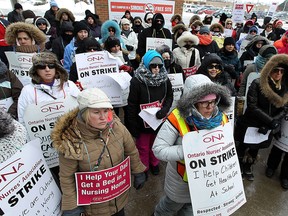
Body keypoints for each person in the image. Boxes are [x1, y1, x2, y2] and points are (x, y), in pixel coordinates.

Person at [51, 87, 146, 215]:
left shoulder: (117, 127)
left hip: (119, 199)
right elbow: (67, 177)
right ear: (84, 113)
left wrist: (138, 171)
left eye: (106, 111)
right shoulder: (71, 140)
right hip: (94, 208)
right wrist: (71, 205)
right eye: (96, 112)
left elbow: (131, 151)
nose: (103, 117)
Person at [152, 74, 231, 216]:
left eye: (213, 101)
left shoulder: (222, 117)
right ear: (192, 102)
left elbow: (227, 144)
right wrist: (190, 151)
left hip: (208, 180)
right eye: (204, 102)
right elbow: (158, 149)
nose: (211, 107)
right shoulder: (176, 117)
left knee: (191, 210)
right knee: (169, 207)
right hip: (181, 180)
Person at [234, 54, 288, 181]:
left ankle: (248, 167)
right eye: (276, 70)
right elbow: (252, 106)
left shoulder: (284, 88)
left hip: (267, 126)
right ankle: (238, 168)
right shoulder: (257, 83)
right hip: (251, 122)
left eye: (282, 71)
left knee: (256, 148)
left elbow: (284, 108)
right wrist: (271, 121)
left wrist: (272, 123)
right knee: (243, 146)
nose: (279, 73)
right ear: (269, 70)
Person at [127, 50, 173, 178]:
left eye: (159, 65)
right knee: (142, 147)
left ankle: (154, 163)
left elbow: (170, 96)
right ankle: (144, 166)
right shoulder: (137, 81)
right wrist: (133, 126)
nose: (157, 68)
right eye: (153, 65)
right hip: (142, 122)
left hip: (158, 120)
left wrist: (164, 110)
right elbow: (131, 104)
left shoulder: (165, 79)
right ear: (147, 65)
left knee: (156, 144)